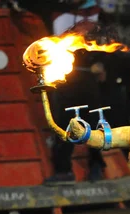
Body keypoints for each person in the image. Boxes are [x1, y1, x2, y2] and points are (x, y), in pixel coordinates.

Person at [44, 51, 106, 185]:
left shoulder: (89, 39)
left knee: (93, 126)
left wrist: (101, 63)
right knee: (63, 128)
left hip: (87, 85)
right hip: (65, 85)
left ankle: (96, 166)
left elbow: (103, 54)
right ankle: (63, 172)